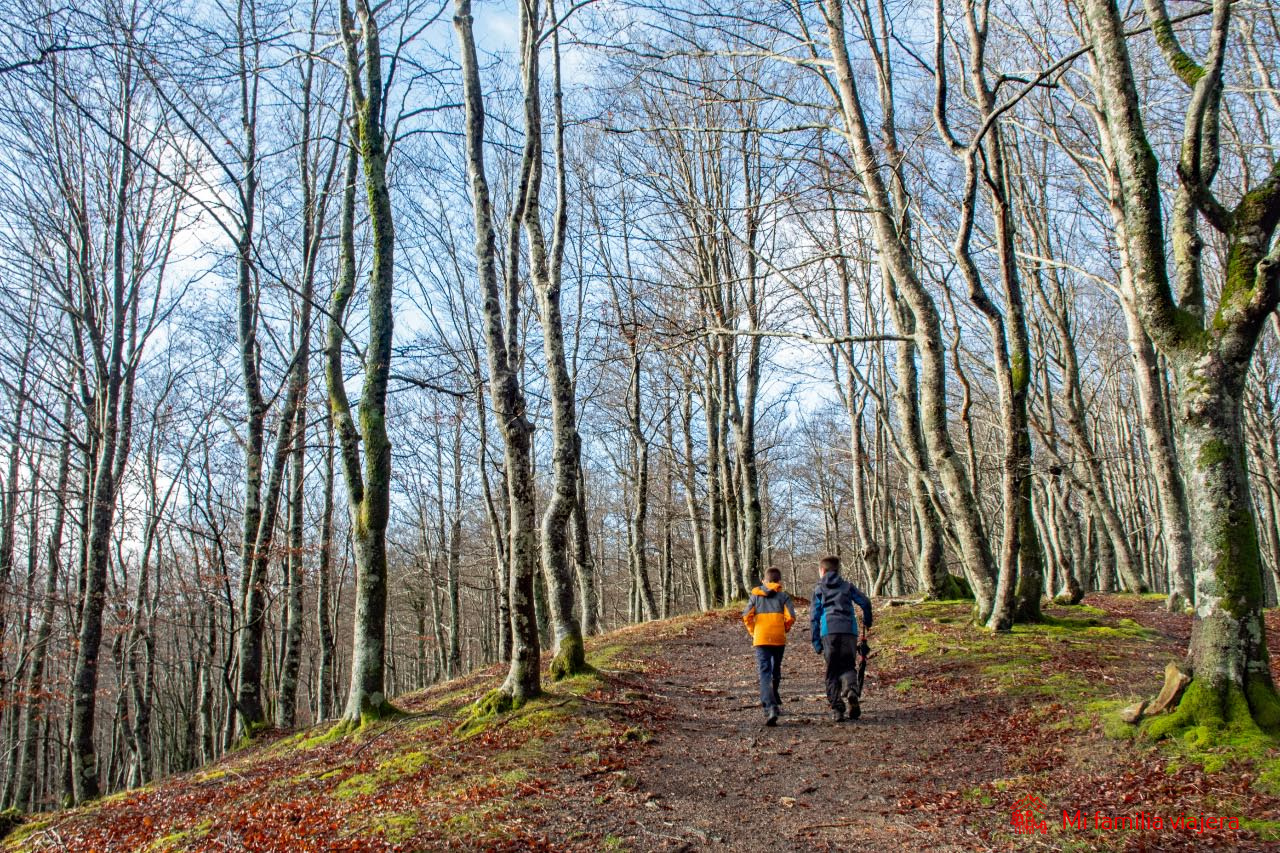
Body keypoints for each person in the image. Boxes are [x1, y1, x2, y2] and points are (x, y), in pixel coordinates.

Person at [810, 555, 873, 722]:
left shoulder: (819, 589)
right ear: (838, 570)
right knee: (848, 666)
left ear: (822, 571)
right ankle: (851, 691)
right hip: (848, 631)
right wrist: (867, 621)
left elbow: (814, 617)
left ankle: (838, 708)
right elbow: (865, 602)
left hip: (829, 631)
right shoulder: (847, 586)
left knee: (832, 671)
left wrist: (816, 641)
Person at [742, 567, 797, 726]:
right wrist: (784, 628)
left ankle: (770, 707)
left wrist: (753, 631)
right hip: (778, 637)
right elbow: (791, 617)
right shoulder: (783, 597)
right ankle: (774, 697)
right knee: (776, 669)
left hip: (761, 638)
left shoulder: (755, 596)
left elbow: (746, 616)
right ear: (779, 581)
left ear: (763, 581)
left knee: (765, 672)